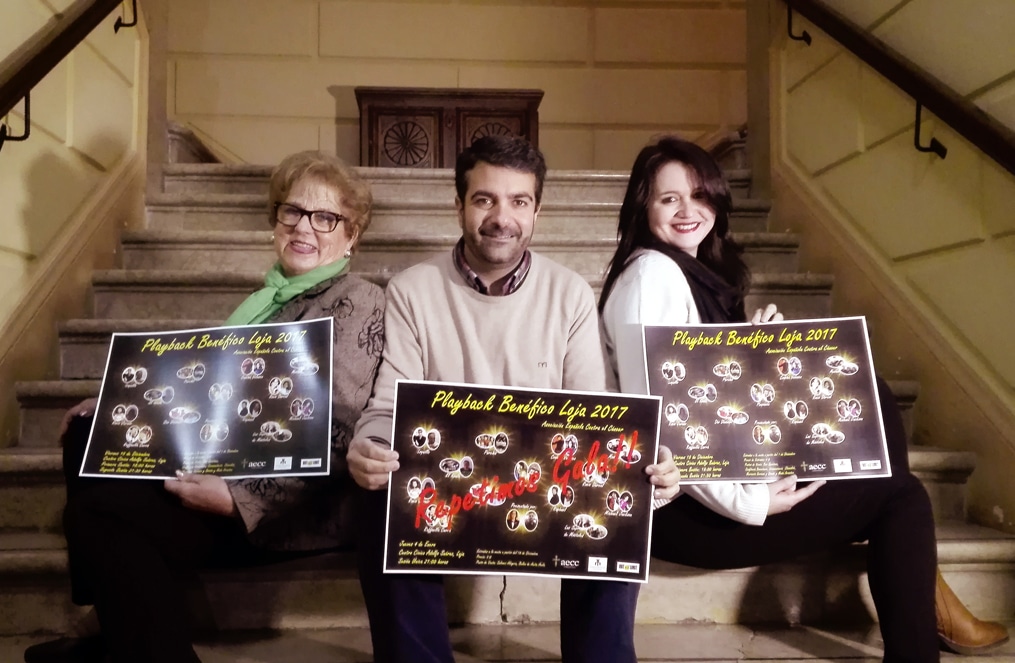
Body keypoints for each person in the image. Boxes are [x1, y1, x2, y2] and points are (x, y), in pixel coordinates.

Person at [597, 135, 1009, 661]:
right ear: (643, 206)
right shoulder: (650, 276)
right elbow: (669, 427)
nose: (688, 211)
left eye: (699, 196)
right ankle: (925, 607)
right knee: (900, 497)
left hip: (715, 484)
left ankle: (925, 587)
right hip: (682, 513)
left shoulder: (684, 273)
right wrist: (753, 501)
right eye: (668, 199)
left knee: (866, 391)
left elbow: (701, 386)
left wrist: (755, 347)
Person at [25, 151, 385, 663]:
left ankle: (135, 639)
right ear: (276, 220)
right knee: (91, 435)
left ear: (351, 236)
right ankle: (118, 620)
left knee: (101, 511)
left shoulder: (355, 300)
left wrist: (240, 498)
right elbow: (201, 397)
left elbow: (336, 427)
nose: (305, 227)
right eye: (293, 211)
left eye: (326, 218)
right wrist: (117, 406)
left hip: (288, 505)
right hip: (221, 463)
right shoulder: (267, 301)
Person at [346, 134, 681, 663]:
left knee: (623, 488)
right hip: (448, 488)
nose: (502, 217)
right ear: (458, 205)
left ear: (537, 211)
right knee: (376, 490)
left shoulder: (568, 291)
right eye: (485, 199)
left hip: (547, 490)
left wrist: (646, 459)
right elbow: (388, 405)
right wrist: (367, 444)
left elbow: (598, 410)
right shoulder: (412, 289)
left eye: (519, 201)